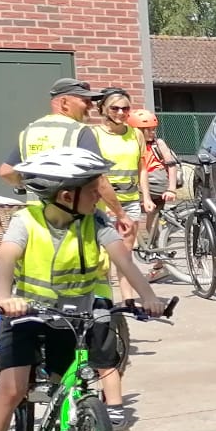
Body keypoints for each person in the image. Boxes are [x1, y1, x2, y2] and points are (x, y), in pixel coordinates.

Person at [0, 149, 168, 431]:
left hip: (73, 316)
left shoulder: (96, 221)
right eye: (92, 189)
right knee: (12, 388)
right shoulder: (26, 221)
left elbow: (124, 260)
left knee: (74, 393)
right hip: (27, 314)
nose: (99, 194)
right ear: (65, 195)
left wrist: (149, 297)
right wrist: (5, 297)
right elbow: (6, 261)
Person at [0, 78, 131, 236]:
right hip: (76, 220)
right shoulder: (79, 131)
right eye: (85, 101)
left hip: (38, 219)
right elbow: (100, 181)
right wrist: (121, 215)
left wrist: (33, 184)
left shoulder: (30, 131)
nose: (90, 106)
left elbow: (5, 172)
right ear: (64, 103)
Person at [92, 89, 148, 302]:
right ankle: (103, 298)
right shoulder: (95, 134)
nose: (120, 112)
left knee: (125, 253)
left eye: (125, 108)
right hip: (103, 201)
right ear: (103, 109)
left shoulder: (136, 134)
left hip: (130, 199)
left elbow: (141, 167)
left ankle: (128, 300)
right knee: (103, 253)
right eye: (115, 108)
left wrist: (146, 197)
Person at [133, 109, 179, 242]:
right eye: (149, 130)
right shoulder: (132, 145)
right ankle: (157, 249)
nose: (153, 132)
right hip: (141, 184)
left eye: (154, 129)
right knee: (151, 225)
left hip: (156, 185)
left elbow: (171, 165)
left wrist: (171, 189)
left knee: (151, 219)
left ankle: (158, 249)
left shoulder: (158, 144)